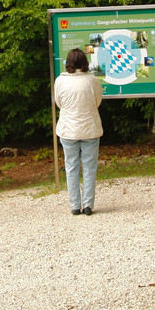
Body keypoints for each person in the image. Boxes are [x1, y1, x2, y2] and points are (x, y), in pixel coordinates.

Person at [54, 47, 104, 216]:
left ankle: (75, 205)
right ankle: (88, 205)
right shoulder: (92, 80)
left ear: (68, 63)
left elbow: (59, 103)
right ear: (84, 63)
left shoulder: (60, 80)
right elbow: (97, 101)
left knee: (71, 167)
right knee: (90, 167)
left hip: (68, 129)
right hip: (90, 128)